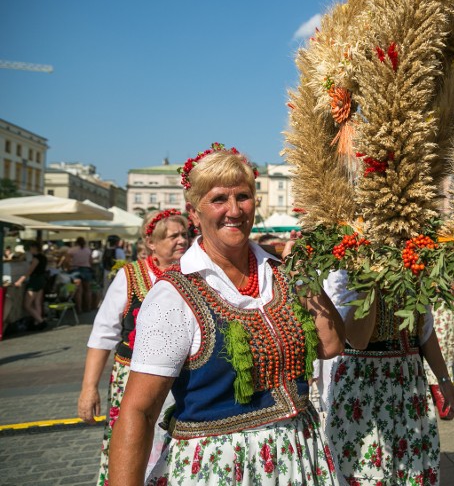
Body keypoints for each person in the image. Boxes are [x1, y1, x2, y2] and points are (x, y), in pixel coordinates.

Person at [109, 143, 344, 485]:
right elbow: (139, 411)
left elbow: (331, 344)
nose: (234, 210)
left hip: (299, 457)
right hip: (220, 467)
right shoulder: (174, 293)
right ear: (195, 213)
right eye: (219, 199)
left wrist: (306, 277)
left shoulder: (281, 272)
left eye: (243, 197)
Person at [77, 208, 189, 486]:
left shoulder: (194, 271)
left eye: (185, 234)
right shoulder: (129, 276)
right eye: (173, 236)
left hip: (184, 379)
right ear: (151, 242)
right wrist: (88, 388)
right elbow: (103, 334)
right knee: (132, 443)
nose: (182, 241)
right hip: (132, 379)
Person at [322, 269, 454, 485]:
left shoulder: (411, 262)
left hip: (409, 381)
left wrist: (443, 378)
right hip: (365, 384)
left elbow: (424, 328)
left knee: (411, 468)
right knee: (366, 468)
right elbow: (358, 339)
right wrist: (371, 278)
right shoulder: (345, 269)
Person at [14, 242, 48, 330]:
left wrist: (19, 281)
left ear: (34, 248)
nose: (29, 250)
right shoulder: (43, 257)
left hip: (35, 281)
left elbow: (29, 271)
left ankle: (40, 321)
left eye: (30, 248)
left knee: (27, 305)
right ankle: (37, 322)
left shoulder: (36, 259)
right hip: (41, 280)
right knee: (37, 303)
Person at [68, 236, 95, 313]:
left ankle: (79, 308)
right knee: (87, 290)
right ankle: (88, 307)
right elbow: (91, 261)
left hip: (75, 269)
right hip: (86, 269)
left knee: (78, 291)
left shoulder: (72, 250)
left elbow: (67, 261)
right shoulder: (88, 250)